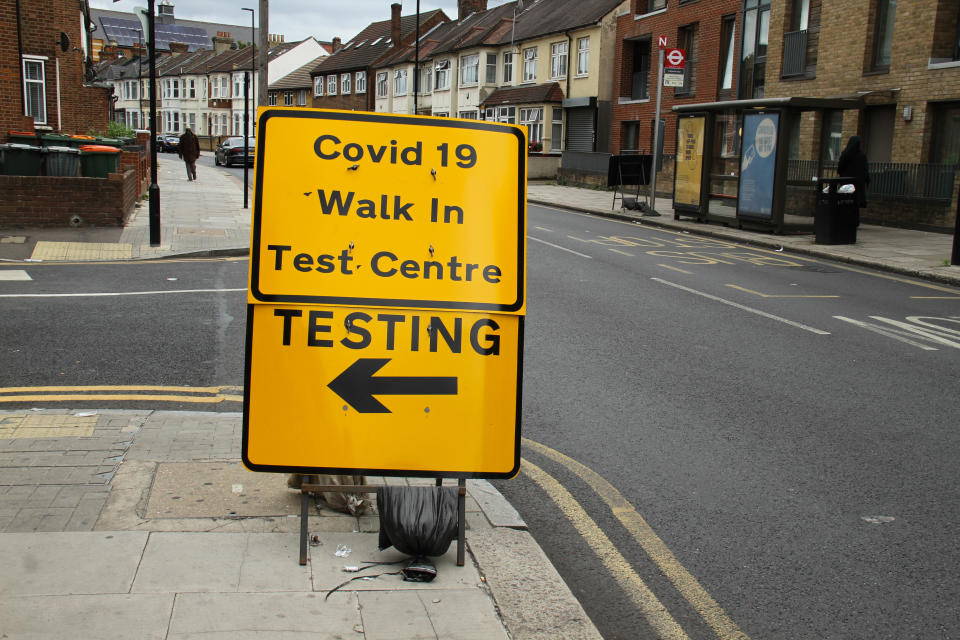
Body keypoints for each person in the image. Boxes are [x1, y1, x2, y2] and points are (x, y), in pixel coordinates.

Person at [837, 135, 870, 222]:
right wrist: (867, 180)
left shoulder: (845, 154)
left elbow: (840, 167)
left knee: (845, 200)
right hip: (857, 183)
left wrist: (842, 175)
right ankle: (854, 219)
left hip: (846, 182)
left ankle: (844, 218)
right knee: (855, 202)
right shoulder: (862, 156)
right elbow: (865, 170)